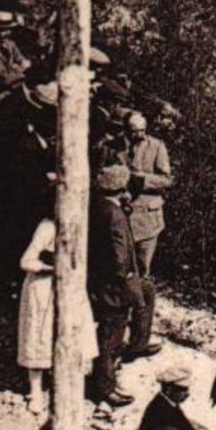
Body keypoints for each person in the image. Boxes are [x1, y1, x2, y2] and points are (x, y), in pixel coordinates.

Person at [16, 215, 98, 414]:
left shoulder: (79, 223)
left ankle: (66, 389)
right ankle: (35, 392)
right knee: (38, 337)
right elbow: (26, 261)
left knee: (76, 333)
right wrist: (50, 268)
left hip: (71, 287)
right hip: (44, 288)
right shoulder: (47, 226)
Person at [86, 164, 140, 408]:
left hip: (99, 281)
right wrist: (124, 277)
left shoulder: (97, 207)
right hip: (114, 288)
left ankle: (104, 381)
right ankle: (104, 388)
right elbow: (120, 255)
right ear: (121, 187)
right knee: (112, 337)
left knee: (107, 334)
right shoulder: (115, 215)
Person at [120, 110, 174, 283]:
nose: (139, 134)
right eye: (134, 130)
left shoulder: (157, 146)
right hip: (120, 217)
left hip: (147, 219)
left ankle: (142, 307)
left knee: (143, 269)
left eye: (142, 130)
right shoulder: (113, 146)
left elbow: (166, 180)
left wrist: (142, 178)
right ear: (126, 129)